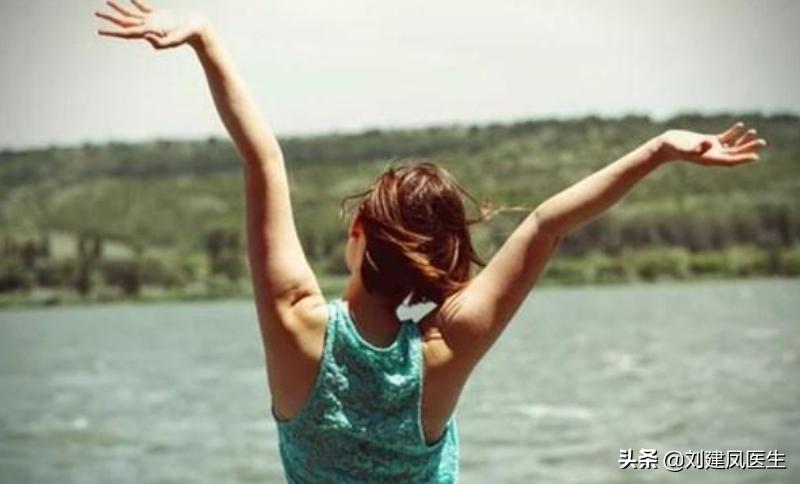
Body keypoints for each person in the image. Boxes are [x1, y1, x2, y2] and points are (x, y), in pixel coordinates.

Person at [95, 2, 767, 482]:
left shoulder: (296, 326)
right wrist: (657, 149)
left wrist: (206, 39)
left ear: (357, 231)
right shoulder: (446, 351)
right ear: (441, 262)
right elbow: (546, 224)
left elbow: (262, 158)